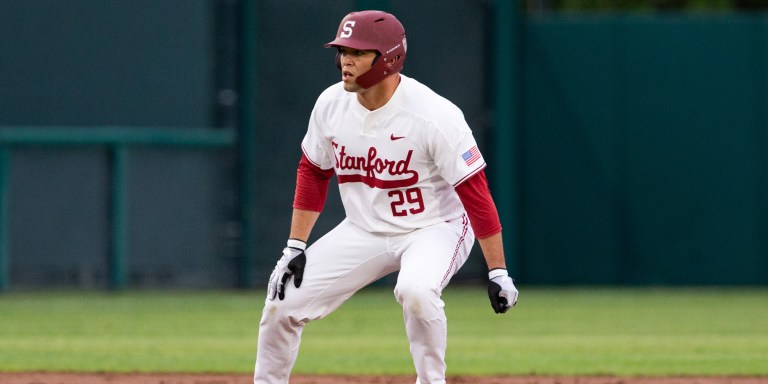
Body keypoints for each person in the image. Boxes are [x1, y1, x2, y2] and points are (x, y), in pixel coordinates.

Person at [253, 10, 518, 384]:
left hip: (434, 227)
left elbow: (475, 193)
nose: (345, 60)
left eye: (358, 52)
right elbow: (313, 170)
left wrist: (498, 270)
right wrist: (295, 247)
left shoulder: (433, 115)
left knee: (415, 290)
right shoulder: (330, 105)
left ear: (390, 58)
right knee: (282, 301)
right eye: (342, 50)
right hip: (364, 229)